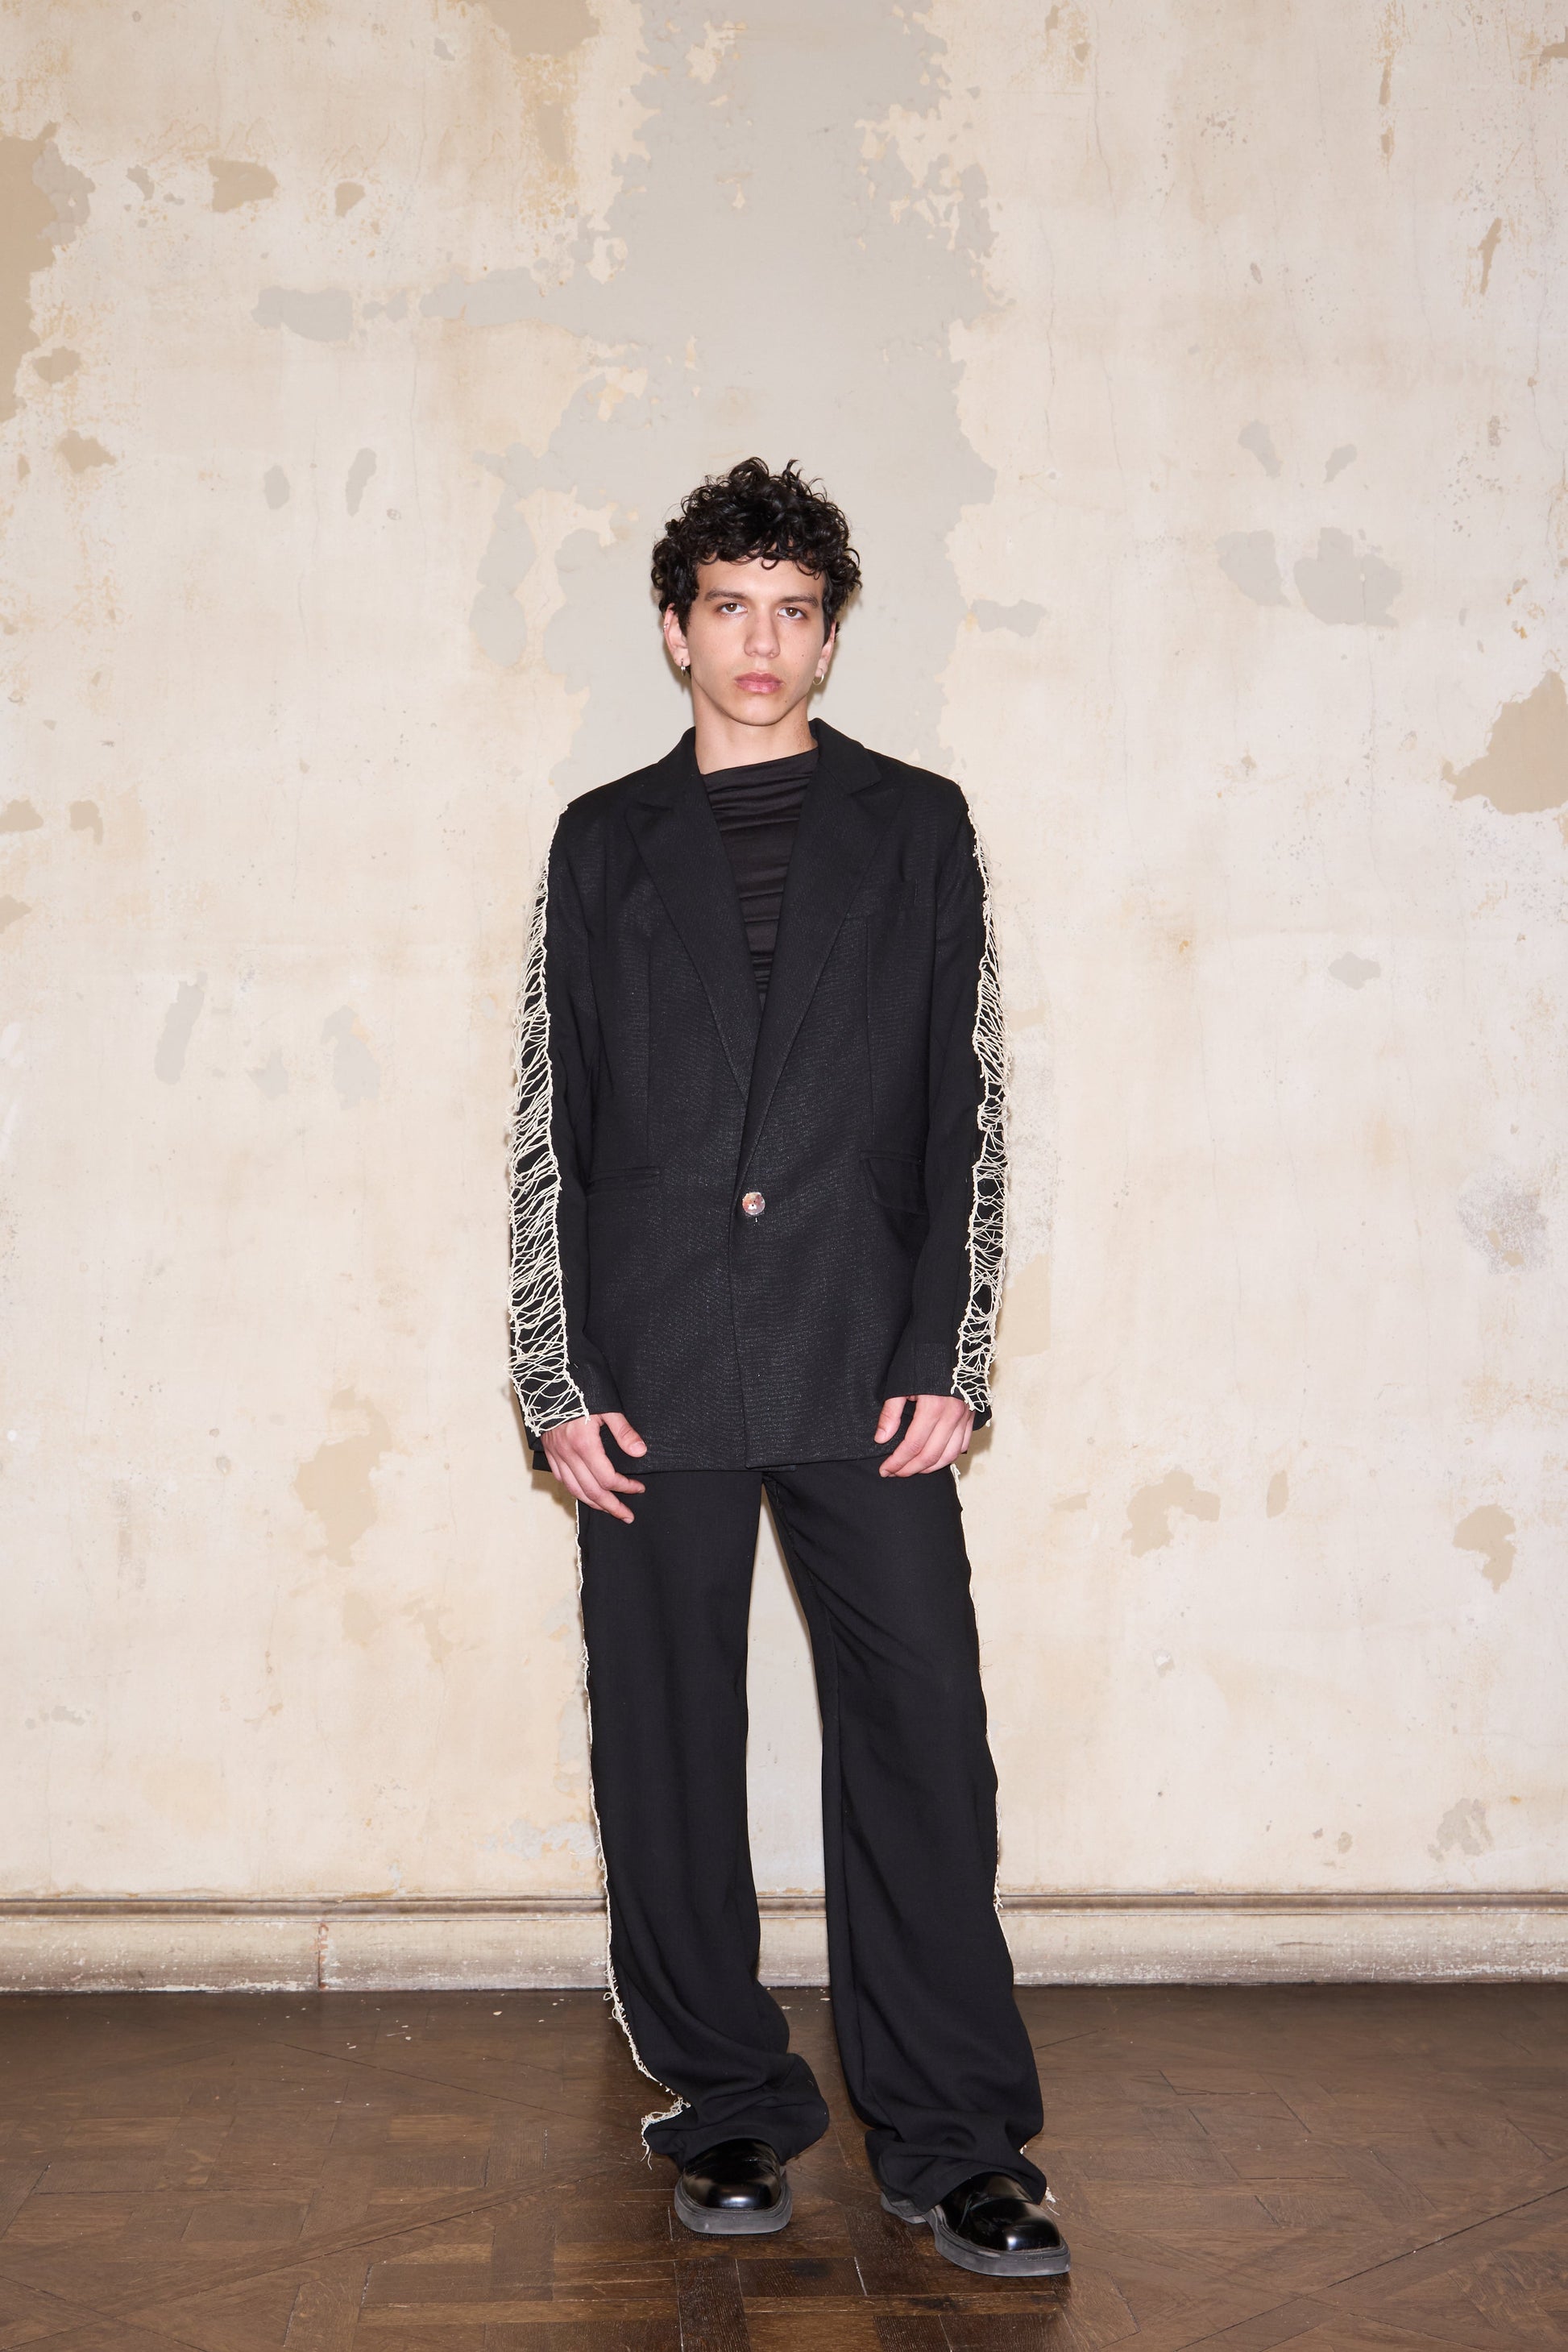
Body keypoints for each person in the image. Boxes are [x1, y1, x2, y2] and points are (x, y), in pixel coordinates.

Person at [508, 458, 1068, 2278]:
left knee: (920, 1737)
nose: (761, 641)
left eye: (794, 610)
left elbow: (968, 1103)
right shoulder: (602, 840)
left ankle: (955, 2136)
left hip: (862, 1351)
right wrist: (554, 1374)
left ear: (829, 635)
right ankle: (727, 2102)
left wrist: (951, 1350)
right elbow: (549, 1118)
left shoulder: (918, 825)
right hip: (650, 1356)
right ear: (676, 631)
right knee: (664, 1733)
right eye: (728, 607)